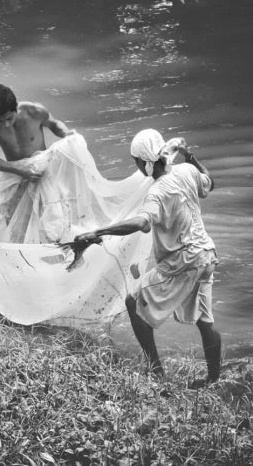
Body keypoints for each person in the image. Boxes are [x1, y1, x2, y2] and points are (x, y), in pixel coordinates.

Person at [74, 128, 221, 388]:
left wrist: (99, 231)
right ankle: (213, 380)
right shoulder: (186, 171)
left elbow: (142, 223)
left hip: (183, 262)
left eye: (136, 161)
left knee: (134, 302)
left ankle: (156, 372)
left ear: (144, 162)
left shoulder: (157, 192)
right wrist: (191, 157)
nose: (137, 166)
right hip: (207, 255)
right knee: (205, 320)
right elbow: (209, 182)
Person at [0, 84, 74, 180]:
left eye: (9, 118)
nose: (6, 124)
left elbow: (54, 124)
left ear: (16, 107)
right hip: (15, 172)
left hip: (43, 169)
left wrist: (66, 133)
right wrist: (19, 170)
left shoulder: (34, 111)